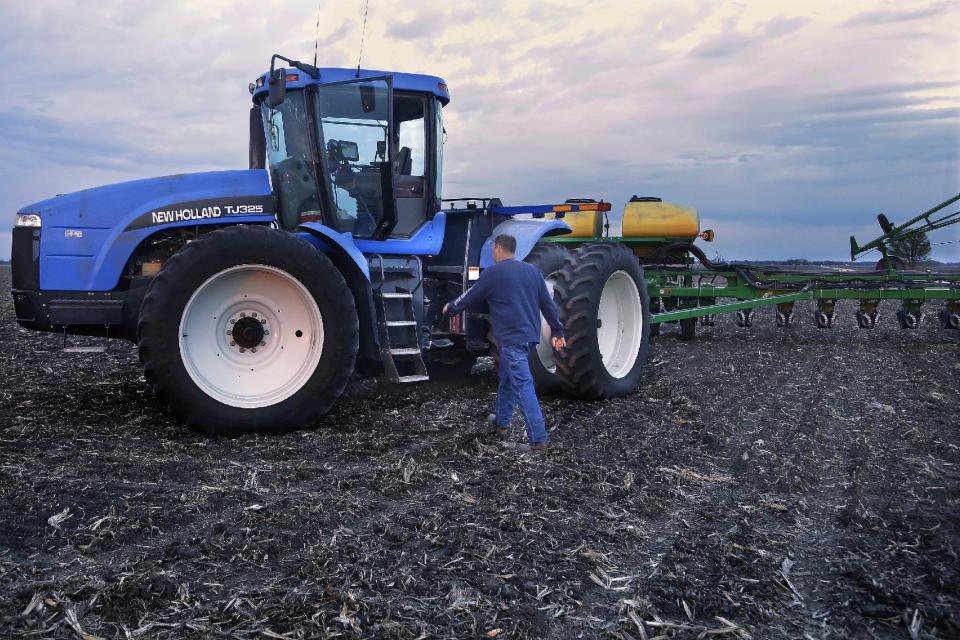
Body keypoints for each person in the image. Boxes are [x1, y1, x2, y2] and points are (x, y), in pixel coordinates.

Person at [443, 234, 566, 454]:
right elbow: (548, 306)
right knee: (507, 379)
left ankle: (538, 441)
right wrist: (557, 330)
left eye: (493, 249)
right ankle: (501, 423)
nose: (492, 253)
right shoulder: (532, 272)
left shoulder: (493, 273)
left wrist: (451, 307)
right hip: (529, 338)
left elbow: (470, 297)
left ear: (498, 248)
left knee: (523, 385)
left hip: (511, 339)